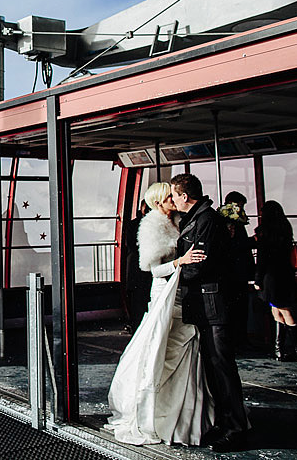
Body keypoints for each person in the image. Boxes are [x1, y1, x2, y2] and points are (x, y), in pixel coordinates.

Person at [106, 182, 209, 446]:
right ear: (158, 202)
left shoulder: (177, 221)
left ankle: (185, 410)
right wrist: (179, 262)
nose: (174, 200)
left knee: (181, 346)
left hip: (180, 293)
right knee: (164, 346)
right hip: (165, 294)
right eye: (169, 198)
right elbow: (154, 271)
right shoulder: (152, 226)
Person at [170, 173, 250, 452]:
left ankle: (236, 428)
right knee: (213, 367)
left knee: (222, 366)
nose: (172, 200)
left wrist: (175, 272)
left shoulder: (205, 221)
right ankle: (225, 423)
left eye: (173, 194)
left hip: (213, 303)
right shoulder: (199, 219)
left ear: (184, 195)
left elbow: (200, 264)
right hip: (205, 304)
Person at [254, 200, 297, 362]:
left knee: (282, 312)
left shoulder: (265, 232)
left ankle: (290, 351)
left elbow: (262, 259)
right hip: (285, 275)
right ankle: (285, 351)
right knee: (279, 311)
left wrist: (257, 279)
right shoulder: (285, 228)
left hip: (271, 278)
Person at [220, 191, 255, 348]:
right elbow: (234, 245)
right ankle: (239, 340)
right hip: (236, 273)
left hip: (232, 273)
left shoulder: (227, 220)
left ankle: (237, 340)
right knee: (239, 308)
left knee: (235, 308)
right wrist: (252, 241)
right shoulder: (232, 222)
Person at [121, 201, 151, 333]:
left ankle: (136, 325)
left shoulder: (133, 224)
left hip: (135, 267)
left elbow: (130, 244)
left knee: (136, 299)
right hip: (139, 268)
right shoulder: (144, 224)